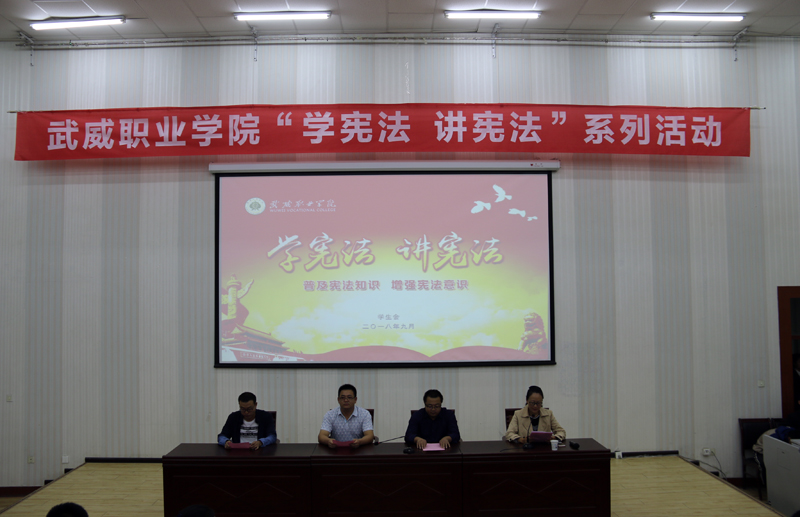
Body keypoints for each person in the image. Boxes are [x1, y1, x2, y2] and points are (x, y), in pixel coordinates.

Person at [318, 384, 374, 448]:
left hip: (358, 449)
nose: (346, 400)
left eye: (349, 397)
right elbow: (321, 436)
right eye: (342, 397)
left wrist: (360, 441)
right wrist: (328, 441)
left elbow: (370, 436)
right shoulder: (330, 415)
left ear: (355, 399)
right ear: (338, 400)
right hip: (336, 450)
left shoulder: (364, 414)